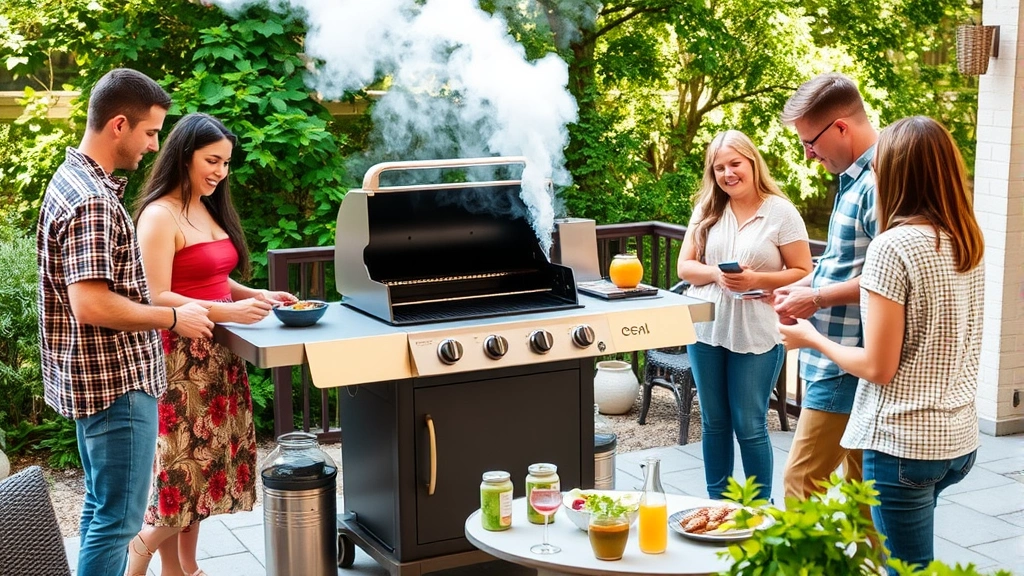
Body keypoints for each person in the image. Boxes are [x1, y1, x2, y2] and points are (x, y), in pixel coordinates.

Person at [779, 116, 983, 572]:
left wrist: (810, 337)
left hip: (904, 445)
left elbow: (877, 366)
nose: (874, 173)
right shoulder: (967, 238)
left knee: (905, 569)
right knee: (899, 556)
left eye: (880, 165)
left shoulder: (893, 246)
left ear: (895, 173)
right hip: (958, 442)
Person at [36, 68, 214, 576]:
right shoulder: (93, 199)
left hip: (94, 383)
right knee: (118, 520)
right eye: (151, 132)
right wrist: (174, 316)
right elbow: (89, 304)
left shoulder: (72, 179)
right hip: (116, 386)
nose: (155, 145)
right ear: (119, 125)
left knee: (100, 509)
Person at [127, 113, 296, 576]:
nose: (221, 171)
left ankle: (183, 569)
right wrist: (228, 312)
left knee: (204, 466)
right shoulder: (159, 216)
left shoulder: (205, 205)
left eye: (226, 163)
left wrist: (255, 295)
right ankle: (141, 547)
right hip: (179, 358)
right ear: (185, 156)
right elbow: (156, 293)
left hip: (218, 353)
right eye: (213, 160)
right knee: (184, 470)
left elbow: (216, 278)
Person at [677, 130, 813, 500]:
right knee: (714, 424)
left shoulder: (780, 211)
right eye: (719, 167)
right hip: (706, 329)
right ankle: (717, 507)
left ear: (752, 163)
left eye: (734, 164)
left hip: (756, 331)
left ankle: (757, 511)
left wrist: (758, 279)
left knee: (750, 425)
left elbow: (803, 271)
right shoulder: (707, 209)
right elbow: (685, 267)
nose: (727, 173)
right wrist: (716, 274)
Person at [773, 72, 879, 499]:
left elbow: (888, 279)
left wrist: (815, 297)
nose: (807, 155)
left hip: (845, 361)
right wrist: (801, 287)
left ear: (840, 127)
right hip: (839, 357)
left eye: (810, 142)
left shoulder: (877, 183)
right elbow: (845, 262)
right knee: (861, 493)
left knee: (801, 483)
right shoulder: (853, 179)